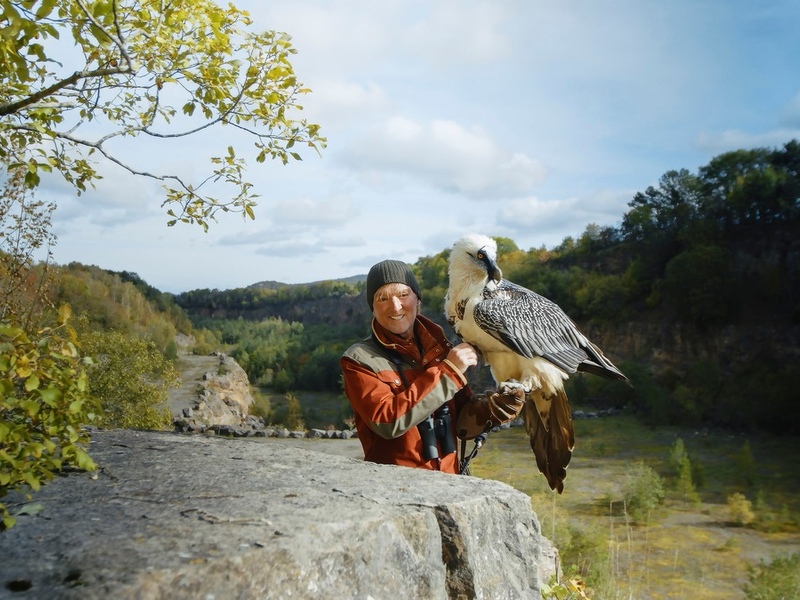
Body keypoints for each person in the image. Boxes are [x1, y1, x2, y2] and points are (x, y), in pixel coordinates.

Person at [340, 259, 525, 473]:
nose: (395, 306)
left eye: (403, 295)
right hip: (396, 489)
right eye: (382, 298)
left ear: (417, 300)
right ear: (373, 308)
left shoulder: (439, 348)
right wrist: (449, 373)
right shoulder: (358, 359)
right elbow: (387, 421)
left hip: (449, 482)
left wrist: (492, 409)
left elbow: (462, 419)